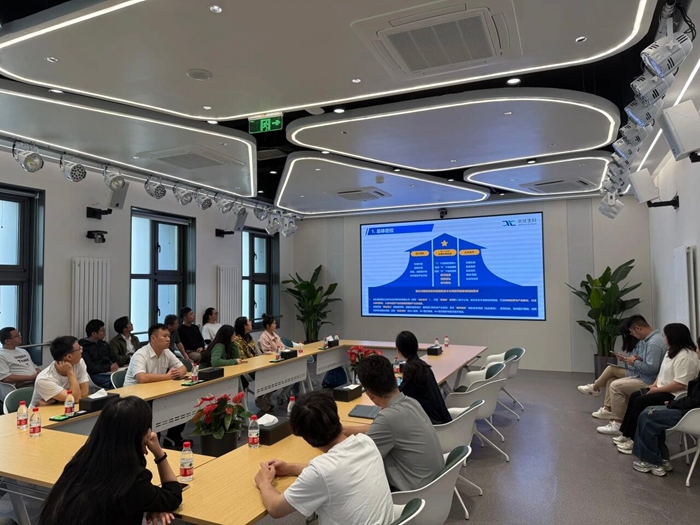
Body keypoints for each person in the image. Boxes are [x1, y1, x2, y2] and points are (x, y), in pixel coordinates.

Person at [254, 391, 394, 525]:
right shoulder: (366, 442)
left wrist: (264, 482)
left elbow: (275, 508)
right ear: (336, 416)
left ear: (304, 437)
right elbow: (334, 472)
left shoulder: (321, 471)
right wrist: (290, 468)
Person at [39, 396, 182, 525]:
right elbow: (173, 497)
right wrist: (159, 453)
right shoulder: (131, 477)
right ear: (140, 434)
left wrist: (150, 503)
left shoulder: (83, 459)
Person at [344, 355, 444, 491]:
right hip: (436, 486)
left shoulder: (388, 418)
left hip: (414, 494)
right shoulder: (411, 402)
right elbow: (377, 429)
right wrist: (344, 430)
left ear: (369, 394)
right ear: (395, 378)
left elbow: (356, 460)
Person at [613, 323, 700, 453]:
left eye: (665, 336)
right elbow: (661, 373)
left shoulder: (686, 356)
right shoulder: (671, 352)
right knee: (635, 396)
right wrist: (653, 385)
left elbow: (680, 384)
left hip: (675, 394)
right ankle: (627, 434)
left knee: (641, 401)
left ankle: (634, 439)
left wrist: (656, 390)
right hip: (662, 388)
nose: (664, 338)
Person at [631, 341, 700, 476]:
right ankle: (661, 458)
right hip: (691, 411)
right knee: (651, 411)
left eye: (698, 347)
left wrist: (673, 404)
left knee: (648, 416)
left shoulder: (686, 356)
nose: (696, 350)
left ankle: (651, 461)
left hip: (692, 415)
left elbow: (694, 401)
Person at [590, 316, 667, 435]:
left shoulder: (653, 343)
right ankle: (610, 412)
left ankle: (618, 423)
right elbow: (650, 364)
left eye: (632, 332)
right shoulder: (651, 341)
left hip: (648, 380)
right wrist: (636, 360)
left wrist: (634, 362)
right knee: (612, 380)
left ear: (638, 328)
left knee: (615, 385)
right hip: (645, 377)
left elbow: (651, 369)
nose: (633, 335)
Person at [124, 324, 188, 448]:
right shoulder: (140, 354)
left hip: (156, 391)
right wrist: (168, 377)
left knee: (181, 402)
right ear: (153, 338)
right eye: (164, 336)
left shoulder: (166, 352)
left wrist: (179, 373)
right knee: (153, 413)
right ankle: (151, 442)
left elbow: (183, 367)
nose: (168, 339)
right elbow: (141, 378)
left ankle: (174, 436)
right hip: (135, 397)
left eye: (169, 336)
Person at [578, 319, 639, 420]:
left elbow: (639, 365)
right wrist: (625, 359)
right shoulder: (635, 346)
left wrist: (629, 360)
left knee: (611, 369)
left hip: (637, 374)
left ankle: (595, 388)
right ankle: (607, 409)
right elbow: (632, 363)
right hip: (633, 371)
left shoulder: (642, 345)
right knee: (611, 379)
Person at [395, 330, 451, 424]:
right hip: (443, 417)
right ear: (417, 346)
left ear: (399, 350)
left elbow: (400, 395)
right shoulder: (423, 365)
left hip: (432, 422)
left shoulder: (411, 369)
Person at [30, 336, 89, 407]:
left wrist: (56, 401)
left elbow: (84, 394)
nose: (81, 351)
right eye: (79, 349)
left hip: (62, 406)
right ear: (69, 357)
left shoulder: (79, 363)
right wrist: (70, 372)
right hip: (40, 412)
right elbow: (76, 399)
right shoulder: (44, 379)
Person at [234, 316, 272, 411]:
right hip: (246, 370)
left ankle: (263, 396)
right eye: (249, 322)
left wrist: (264, 356)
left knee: (274, 371)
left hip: (256, 365)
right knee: (268, 373)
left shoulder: (249, 337)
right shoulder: (237, 340)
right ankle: (260, 397)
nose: (251, 323)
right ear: (244, 326)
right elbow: (243, 359)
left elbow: (257, 353)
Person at [80, 319, 119, 389]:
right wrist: (108, 367)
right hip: (95, 375)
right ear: (94, 333)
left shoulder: (104, 344)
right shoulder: (84, 346)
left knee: (126, 377)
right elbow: (89, 367)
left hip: (109, 371)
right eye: (102, 331)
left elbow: (114, 358)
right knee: (116, 382)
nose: (104, 333)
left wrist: (116, 364)